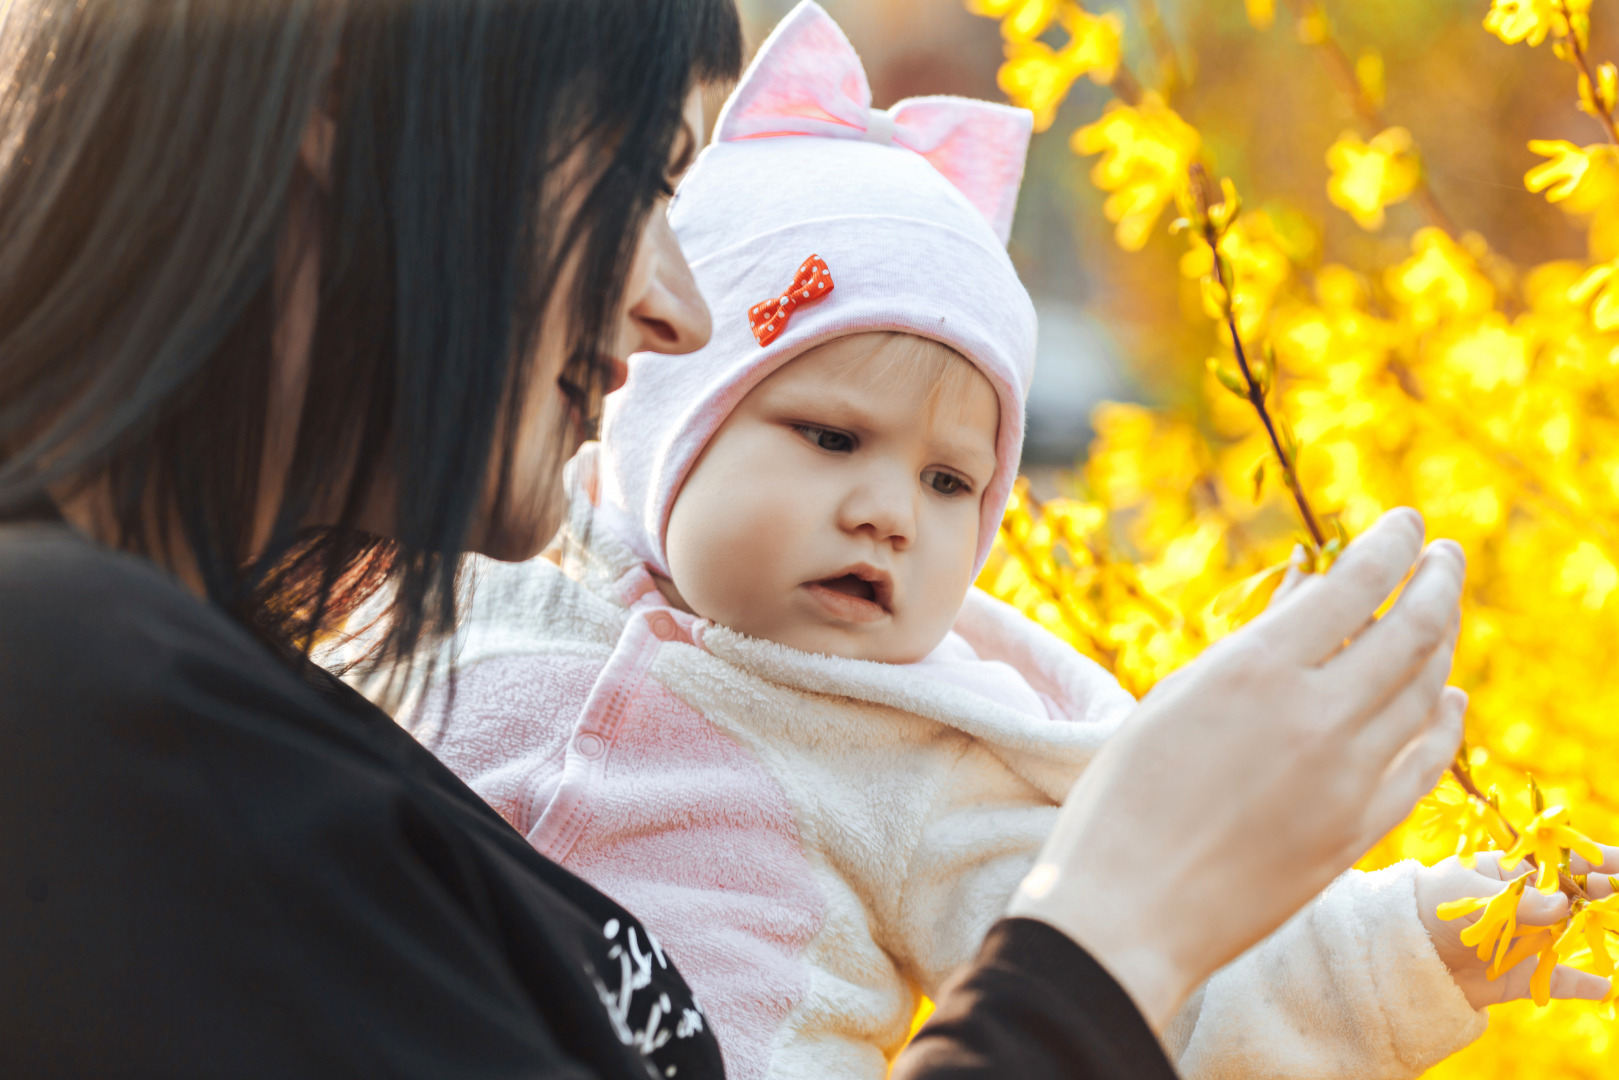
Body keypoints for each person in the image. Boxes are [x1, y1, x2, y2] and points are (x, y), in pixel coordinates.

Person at [0, 0, 1473, 1077]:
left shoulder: (212, 709)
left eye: (953, 482)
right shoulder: (75, 700)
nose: (679, 314)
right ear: (336, 81)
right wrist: (1105, 939)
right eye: (650, 183)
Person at [402, 7, 1613, 1079]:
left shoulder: (926, 765)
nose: (890, 512)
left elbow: (1144, 979)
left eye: (947, 483)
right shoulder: (476, 581)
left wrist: (1409, 948)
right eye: (829, 437)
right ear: (663, 419)